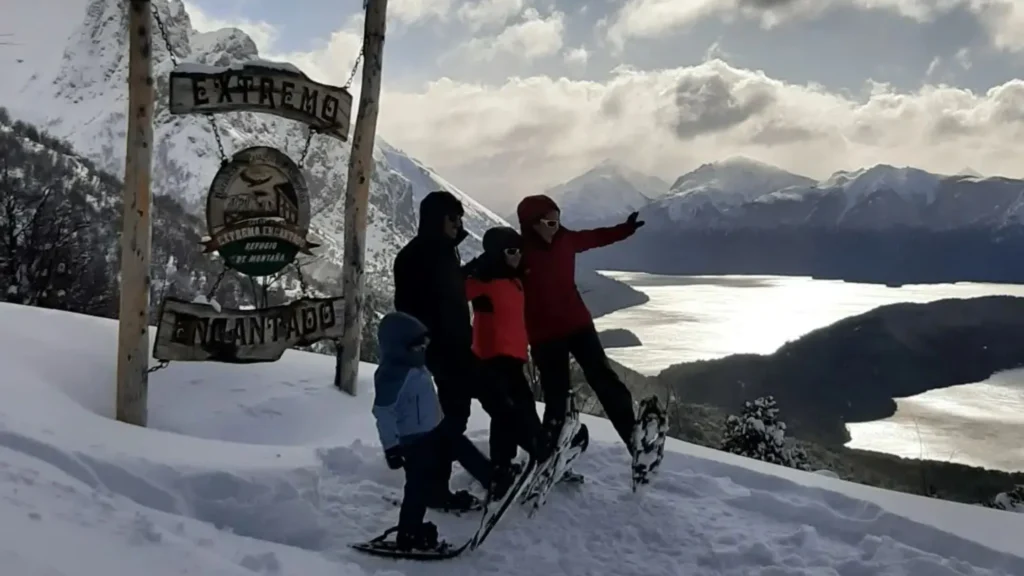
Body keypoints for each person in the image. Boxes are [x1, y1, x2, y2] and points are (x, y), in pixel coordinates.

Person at [515, 194, 645, 452]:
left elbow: (597, 237)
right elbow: (491, 267)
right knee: (557, 396)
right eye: (551, 223)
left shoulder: (565, 240)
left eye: (558, 221)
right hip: (545, 336)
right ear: (532, 224)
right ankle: (552, 451)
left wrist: (626, 230)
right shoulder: (519, 253)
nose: (557, 227)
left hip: (578, 325)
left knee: (605, 380)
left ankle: (634, 438)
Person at [371, 311, 494, 551]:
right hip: (415, 442)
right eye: (417, 347)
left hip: (435, 429)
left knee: (461, 445)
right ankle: (409, 533)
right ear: (398, 348)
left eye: (424, 346)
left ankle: (492, 479)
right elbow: (383, 414)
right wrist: (391, 448)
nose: (422, 351)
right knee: (418, 486)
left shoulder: (416, 365)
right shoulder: (392, 375)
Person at [392, 190, 478, 511]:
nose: (458, 224)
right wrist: (429, 347)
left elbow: (448, 295)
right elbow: (411, 307)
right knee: (448, 422)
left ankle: (435, 486)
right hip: (439, 353)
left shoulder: (442, 253)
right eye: (452, 218)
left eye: (460, 219)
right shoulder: (418, 257)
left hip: (454, 349)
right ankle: (435, 488)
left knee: (454, 418)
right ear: (435, 219)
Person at [463, 226, 550, 497]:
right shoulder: (484, 281)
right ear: (497, 253)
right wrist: (472, 268)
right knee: (511, 412)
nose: (518, 256)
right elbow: (454, 289)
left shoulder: (516, 279)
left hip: (514, 358)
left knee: (514, 411)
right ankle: (529, 455)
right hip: (491, 358)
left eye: (520, 251)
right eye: (512, 251)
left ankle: (507, 462)